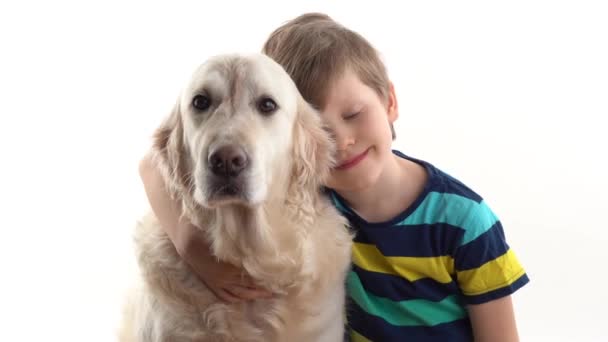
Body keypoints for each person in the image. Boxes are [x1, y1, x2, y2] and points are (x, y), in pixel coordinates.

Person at [139, 12, 529, 342]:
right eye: (320, 128)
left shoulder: (464, 222)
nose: (340, 142)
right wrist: (191, 245)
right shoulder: (320, 197)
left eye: (354, 113)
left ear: (390, 102)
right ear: (300, 143)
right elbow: (153, 163)